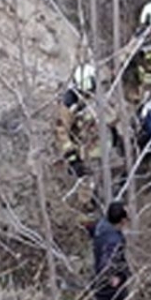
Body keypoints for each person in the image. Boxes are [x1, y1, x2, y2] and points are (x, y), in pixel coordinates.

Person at [54, 64, 119, 210]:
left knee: (109, 173)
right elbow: (61, 133)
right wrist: (73, 160)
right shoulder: (68, 104)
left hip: (103, 143)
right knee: (87, 184)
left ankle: (109, 196)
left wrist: (113, 131)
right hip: (86, 150)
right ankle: (87, 211)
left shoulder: (95, 90)